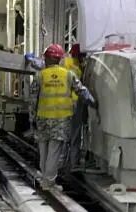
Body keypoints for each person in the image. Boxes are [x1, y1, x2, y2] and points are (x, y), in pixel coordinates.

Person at [30, 44, 96, 190]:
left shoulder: (40, 76)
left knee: (43, 149)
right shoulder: (68, 75)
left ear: (47, 58)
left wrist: (32, 119)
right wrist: (93, 103)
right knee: (54, 151)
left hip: (42, 118)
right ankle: (49, 182)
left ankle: (45, 178)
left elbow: (33, 100)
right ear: (59, 59)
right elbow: (82, 91)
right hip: (60, 120)